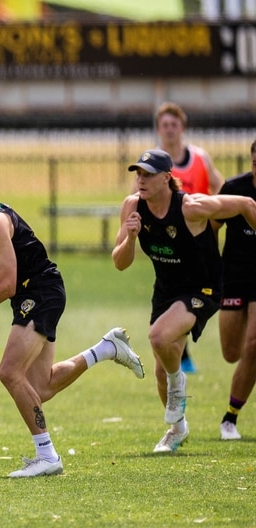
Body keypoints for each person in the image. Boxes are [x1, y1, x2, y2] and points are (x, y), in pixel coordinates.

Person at [0, 167, 144, 478]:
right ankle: (106, 349)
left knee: (9, 372)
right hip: (28, 293)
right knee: (40, 387)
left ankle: (47, 456)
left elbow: (6, 285)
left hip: (42, 291)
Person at [112, 149, 256, 453]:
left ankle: (179, 384)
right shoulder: (132, 207)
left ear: (167, 178)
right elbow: (119, 263)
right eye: (138, 173)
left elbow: (246, 204)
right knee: (160, 371)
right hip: (166, 290)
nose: (141, 180)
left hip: (202, 289)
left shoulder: (191, 207)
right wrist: (131, 237)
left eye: (149, 174)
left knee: (157, 337)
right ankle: (178, 430)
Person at [154, 102, 224, 374]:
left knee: (199, 295)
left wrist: (211, 216)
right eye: (165, 125)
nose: (170, 129)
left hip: (200, 245)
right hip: (170, 247)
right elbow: (138, 197)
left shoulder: (200, 158)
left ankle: (181, 353)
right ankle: (182, 357)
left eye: (174, 124)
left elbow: (220, 188)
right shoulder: (153, 164)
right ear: (159, 129)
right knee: (171, 298)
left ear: (182, 127)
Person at [216, 139, 256, 441]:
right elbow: (210, 227)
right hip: (233, 276)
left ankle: (230, 417)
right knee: (231, 353)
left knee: (254, 345)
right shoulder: (234, 189)